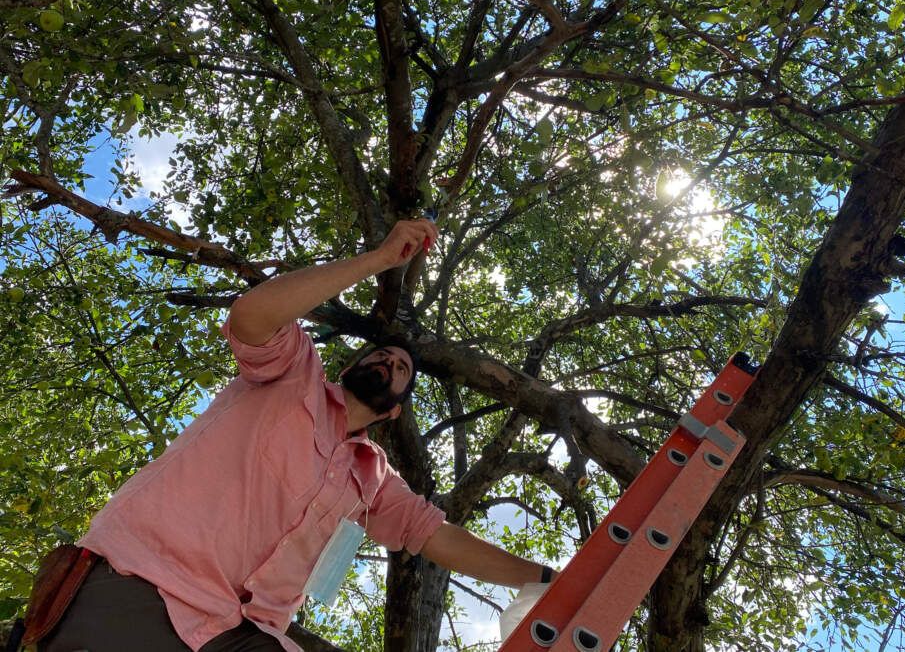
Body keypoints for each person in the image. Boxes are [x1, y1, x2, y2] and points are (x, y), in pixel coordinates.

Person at [38, 218, 552, 652]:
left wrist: (543, 579)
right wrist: (378, 259)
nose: (387, 360)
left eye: (400, 368)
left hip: (245, 634)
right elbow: (251, 316)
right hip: (141, 587)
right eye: (380, 354)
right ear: (349, 366)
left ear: (394, 412)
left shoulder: (373, 481)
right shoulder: (292, 375)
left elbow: (434, 536)